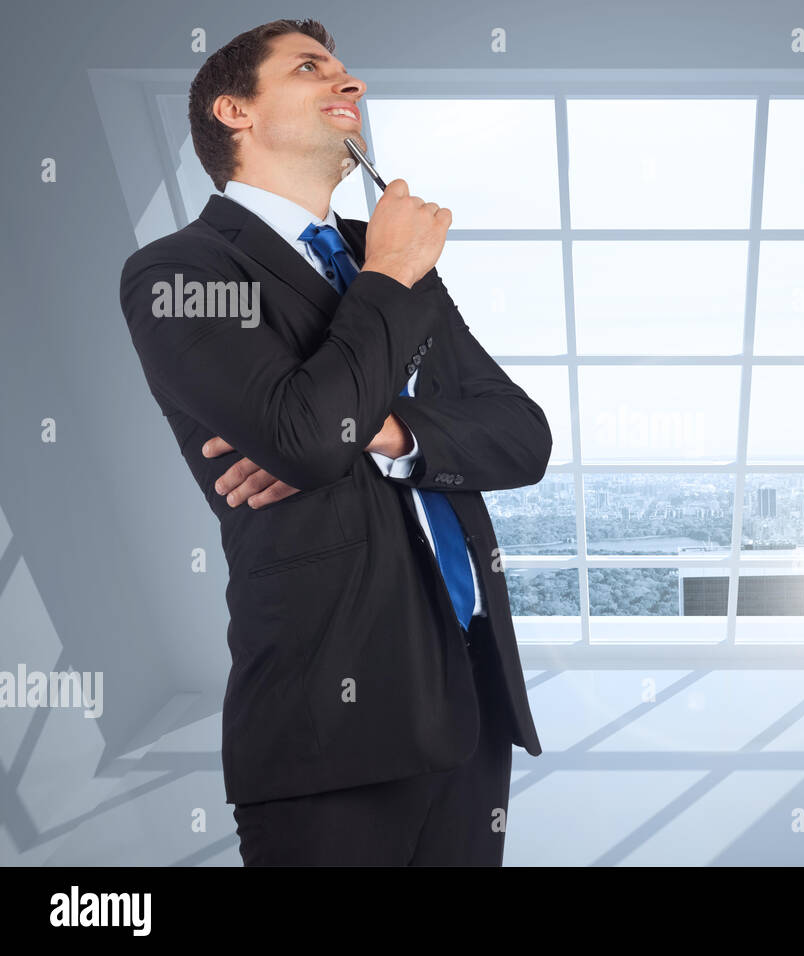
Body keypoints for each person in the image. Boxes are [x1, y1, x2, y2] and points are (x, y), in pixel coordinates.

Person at [118, 18, 549, 865]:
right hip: (328, 726)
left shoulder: (379, 251)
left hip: (469, 701)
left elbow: (519, 436)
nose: (349, 84)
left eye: (349, 71)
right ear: (233, 111)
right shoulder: (180, 273)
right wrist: (388, 280)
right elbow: (307, 440)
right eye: (312, 69)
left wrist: (384, 428)